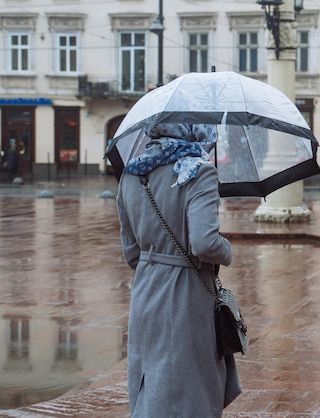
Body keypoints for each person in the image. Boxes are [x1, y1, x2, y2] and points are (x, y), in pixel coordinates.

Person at [116, 123, 241, 417]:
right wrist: (228, 250)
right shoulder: (198, 172)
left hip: (145, 287)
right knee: (188, 385)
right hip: (186, 291)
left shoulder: (131, 174)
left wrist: (154, 263)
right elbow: (205, 244)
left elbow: (131, 251)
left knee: (151, 376)